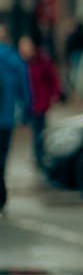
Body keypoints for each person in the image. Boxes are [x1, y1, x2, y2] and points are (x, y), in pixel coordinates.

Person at [18, 31, 63, 171]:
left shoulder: (42, 60)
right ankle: (39, 154)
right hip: (27, 103)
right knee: (34, 129)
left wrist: (55, 93)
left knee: (39, 130)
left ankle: (40, 156)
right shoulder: (19, 63)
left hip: (40, 101)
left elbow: (52, 78)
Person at [0, 26, 32, 212]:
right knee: (2, 158)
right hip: (6, 118)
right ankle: (1, 196)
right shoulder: (14, 59)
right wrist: (26, 113)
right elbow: (25, 90)